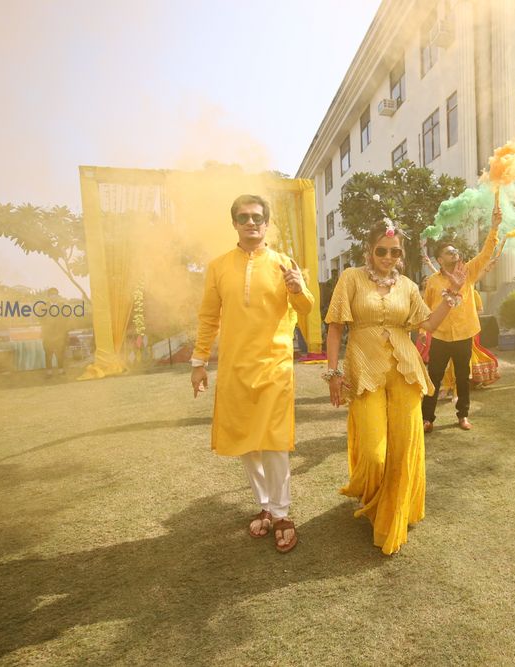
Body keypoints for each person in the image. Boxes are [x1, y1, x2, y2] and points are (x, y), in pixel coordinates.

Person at [324, 222, 465, 555]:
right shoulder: (351, 279)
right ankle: (373, 498)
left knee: (404, 449)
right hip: (364, 371)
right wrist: (333, 372)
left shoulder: (407, 286)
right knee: (374, 454)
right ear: (369, 250)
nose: (388, 257)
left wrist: (452, 295)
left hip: (405, 372)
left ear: (401, 255)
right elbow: (335, 327)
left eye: (395, 252)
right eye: (382, 251)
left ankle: (393, 513)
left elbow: (427, 324)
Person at [190, 194, 313, 554]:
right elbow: (209, 317)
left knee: (274, 441)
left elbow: (305, 308)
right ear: (234, 224)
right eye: (243, 217)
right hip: (235, 366)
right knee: (247, 441)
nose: (251, 223)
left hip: (274, 363)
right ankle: (264, 504)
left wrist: (297, 287)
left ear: (267, 223)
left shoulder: (283, 262)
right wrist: (199, 362)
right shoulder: (218, 266)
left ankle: (282, 513)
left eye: (257, 217)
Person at [420, 202, 501, 432]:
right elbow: (426, 309)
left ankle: (462, 416)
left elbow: (486, 253)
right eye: (449, 252)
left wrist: (494, 227)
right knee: (433, 377)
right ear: (439, 259)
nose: (454, 253)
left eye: (455, 251)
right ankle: (428, 419)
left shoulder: (468, 272)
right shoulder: (433, 282)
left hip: (464, 335)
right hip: (441, 337)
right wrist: (425, 333)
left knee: (463, 377)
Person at [40, 288, 69, 377]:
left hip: (60, 333)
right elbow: (41, 319)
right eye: (52, 294)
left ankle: (61, 369)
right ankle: (49, 371)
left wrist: (64, 332)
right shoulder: (43, 307)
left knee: (60, 352)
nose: (54, 296)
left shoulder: (63, 306)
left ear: (57, 296)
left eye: (55, 294)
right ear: (48, 296)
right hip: (48, 334)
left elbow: (67, 319)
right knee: (48, 352)